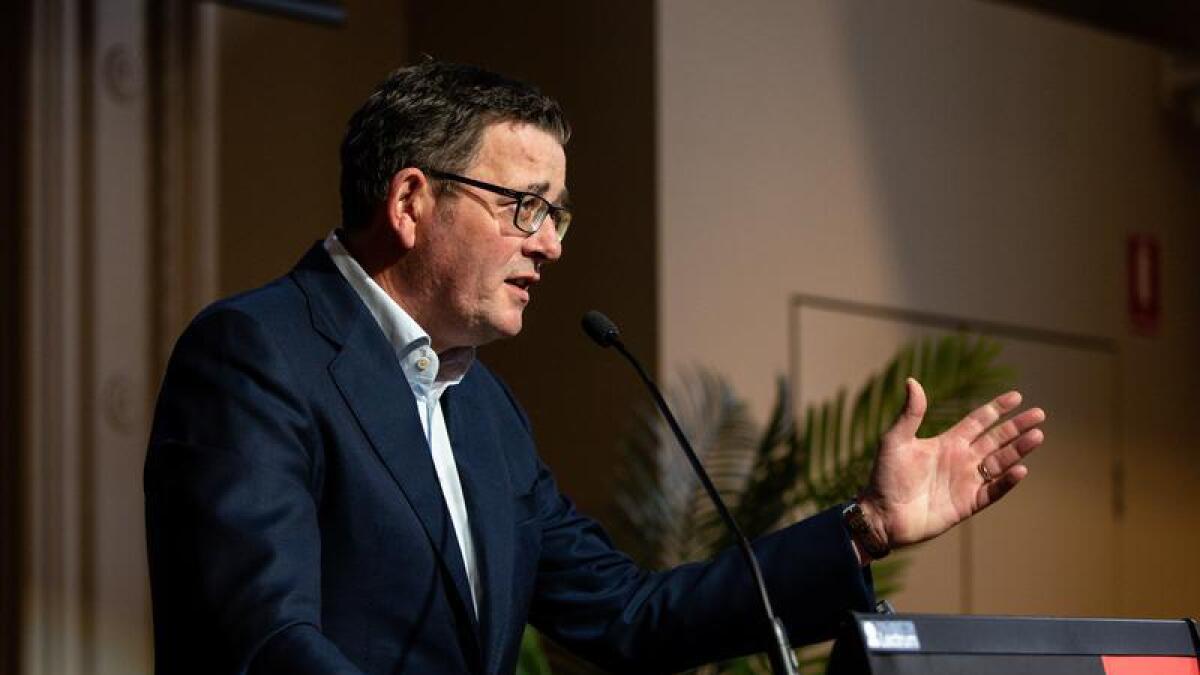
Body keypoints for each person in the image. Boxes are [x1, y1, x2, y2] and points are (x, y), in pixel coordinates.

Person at [144, 61, 1046, 675]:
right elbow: (264, 642)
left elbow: (629, 615)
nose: (549, 245)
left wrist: (866, 527)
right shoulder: (257, 354)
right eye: (526, 207)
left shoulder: (482, 407)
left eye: (558, 216)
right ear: (413, 199)